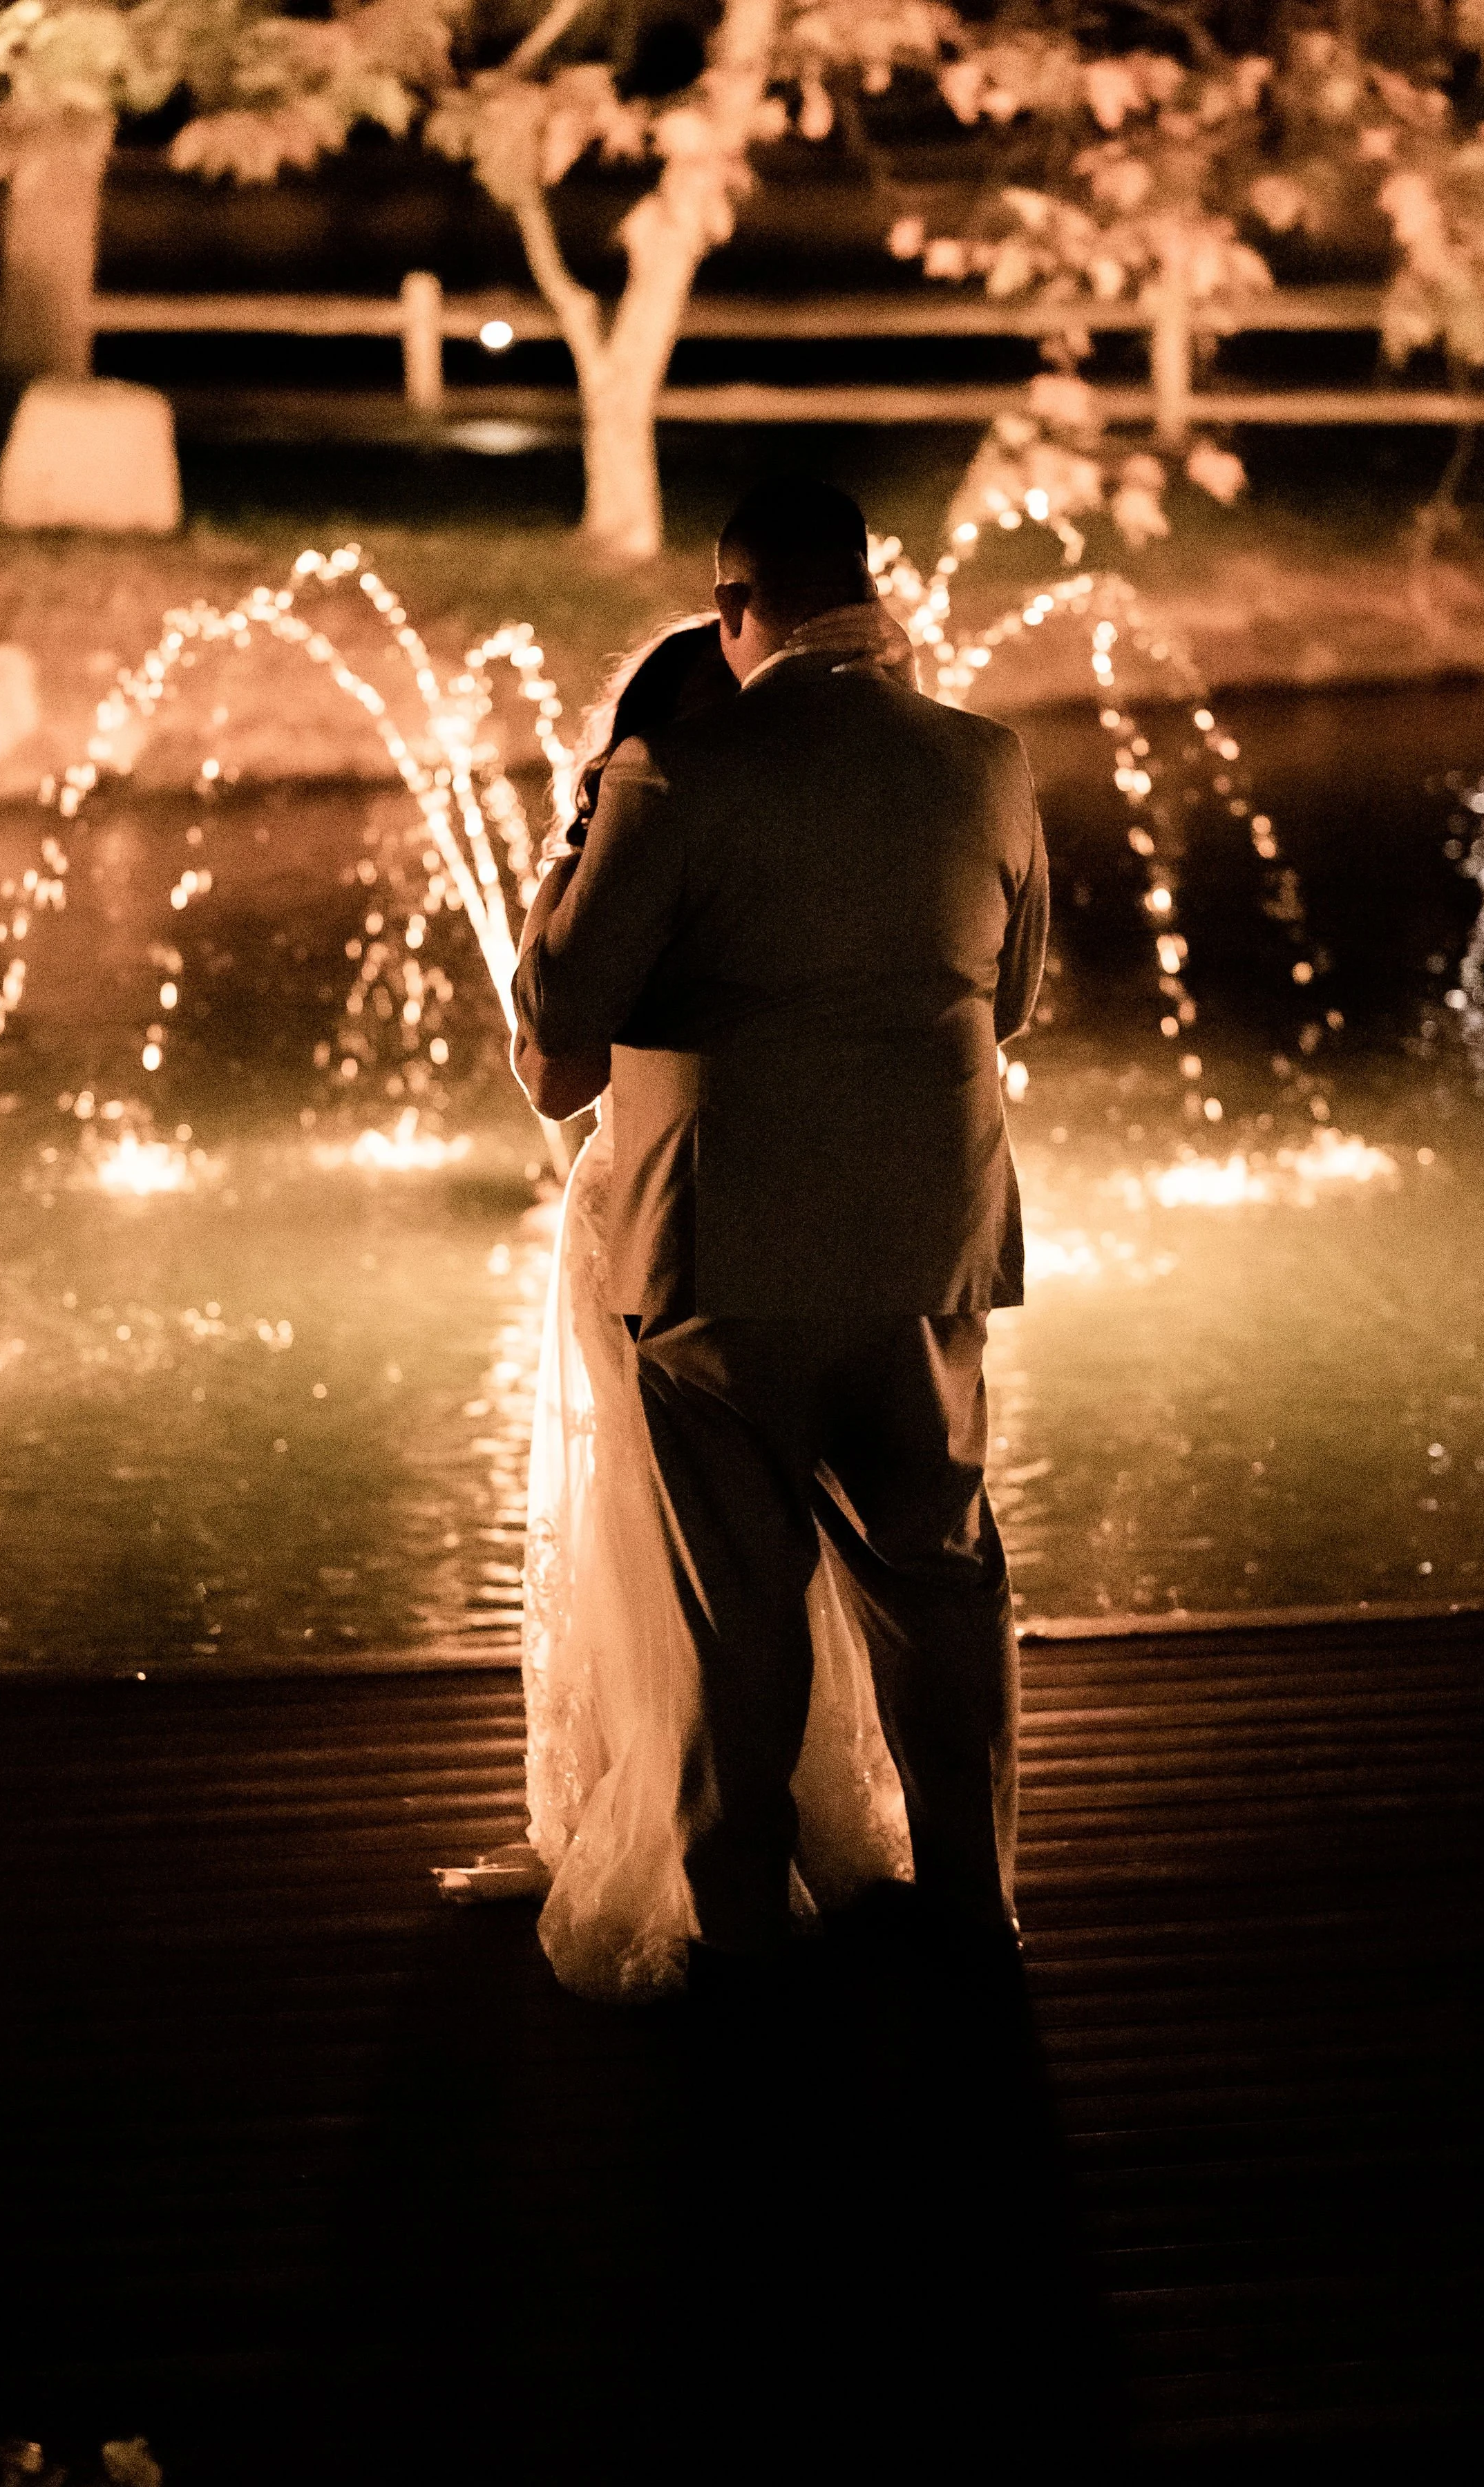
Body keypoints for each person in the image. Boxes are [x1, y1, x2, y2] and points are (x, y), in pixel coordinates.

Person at [511, 479, 1049, 2001]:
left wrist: (572, 868)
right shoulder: (987, 762)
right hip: (928, 1250)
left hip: (722, 1261)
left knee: (736, 1613)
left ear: (735, 608)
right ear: (866, 593)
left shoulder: (678, 777)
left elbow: (561, 1027)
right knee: (942, 1584)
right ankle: (975, 1908)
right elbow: (1009, 1002)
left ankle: (739, 1923)